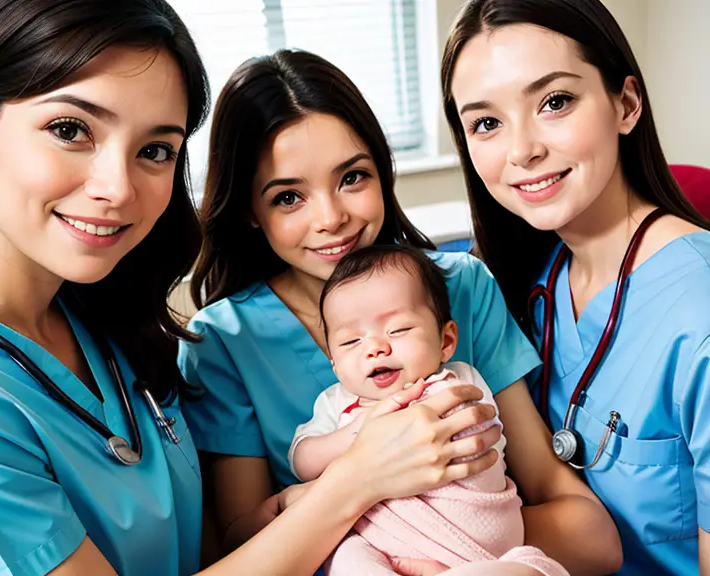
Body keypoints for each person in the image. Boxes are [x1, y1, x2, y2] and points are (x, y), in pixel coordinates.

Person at [0, 1, 513, 575]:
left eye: (155, 150)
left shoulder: (105, 319)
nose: (117, 187)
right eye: (70, 130)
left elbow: (215, 544)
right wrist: (358, 479)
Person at [179, 48, 622, 575]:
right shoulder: (225, 341)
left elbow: (589, 534)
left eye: (352, 178)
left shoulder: (461, 286)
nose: (331, 218)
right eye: (287, 198)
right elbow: (241, 547)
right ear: (251, 210)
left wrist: (454, 550)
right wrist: (363, 480)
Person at [440, 0, 710, 574]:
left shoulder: (698, 311)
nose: (521, 150)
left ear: (626, 104)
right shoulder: (534, 282)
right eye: (486, 123)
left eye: (554, 102)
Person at [289, 244, 569, 576]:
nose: (376, 348)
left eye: (398, 330)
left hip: (478, 541)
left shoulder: (457, 380)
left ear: (446, 341)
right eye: (352, 342)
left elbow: (476, 434)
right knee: (345, 555)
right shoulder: (337, 403)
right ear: (335, 365)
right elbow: (302, 460)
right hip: (384, 541)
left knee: (526, 569)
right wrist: (355, 436)